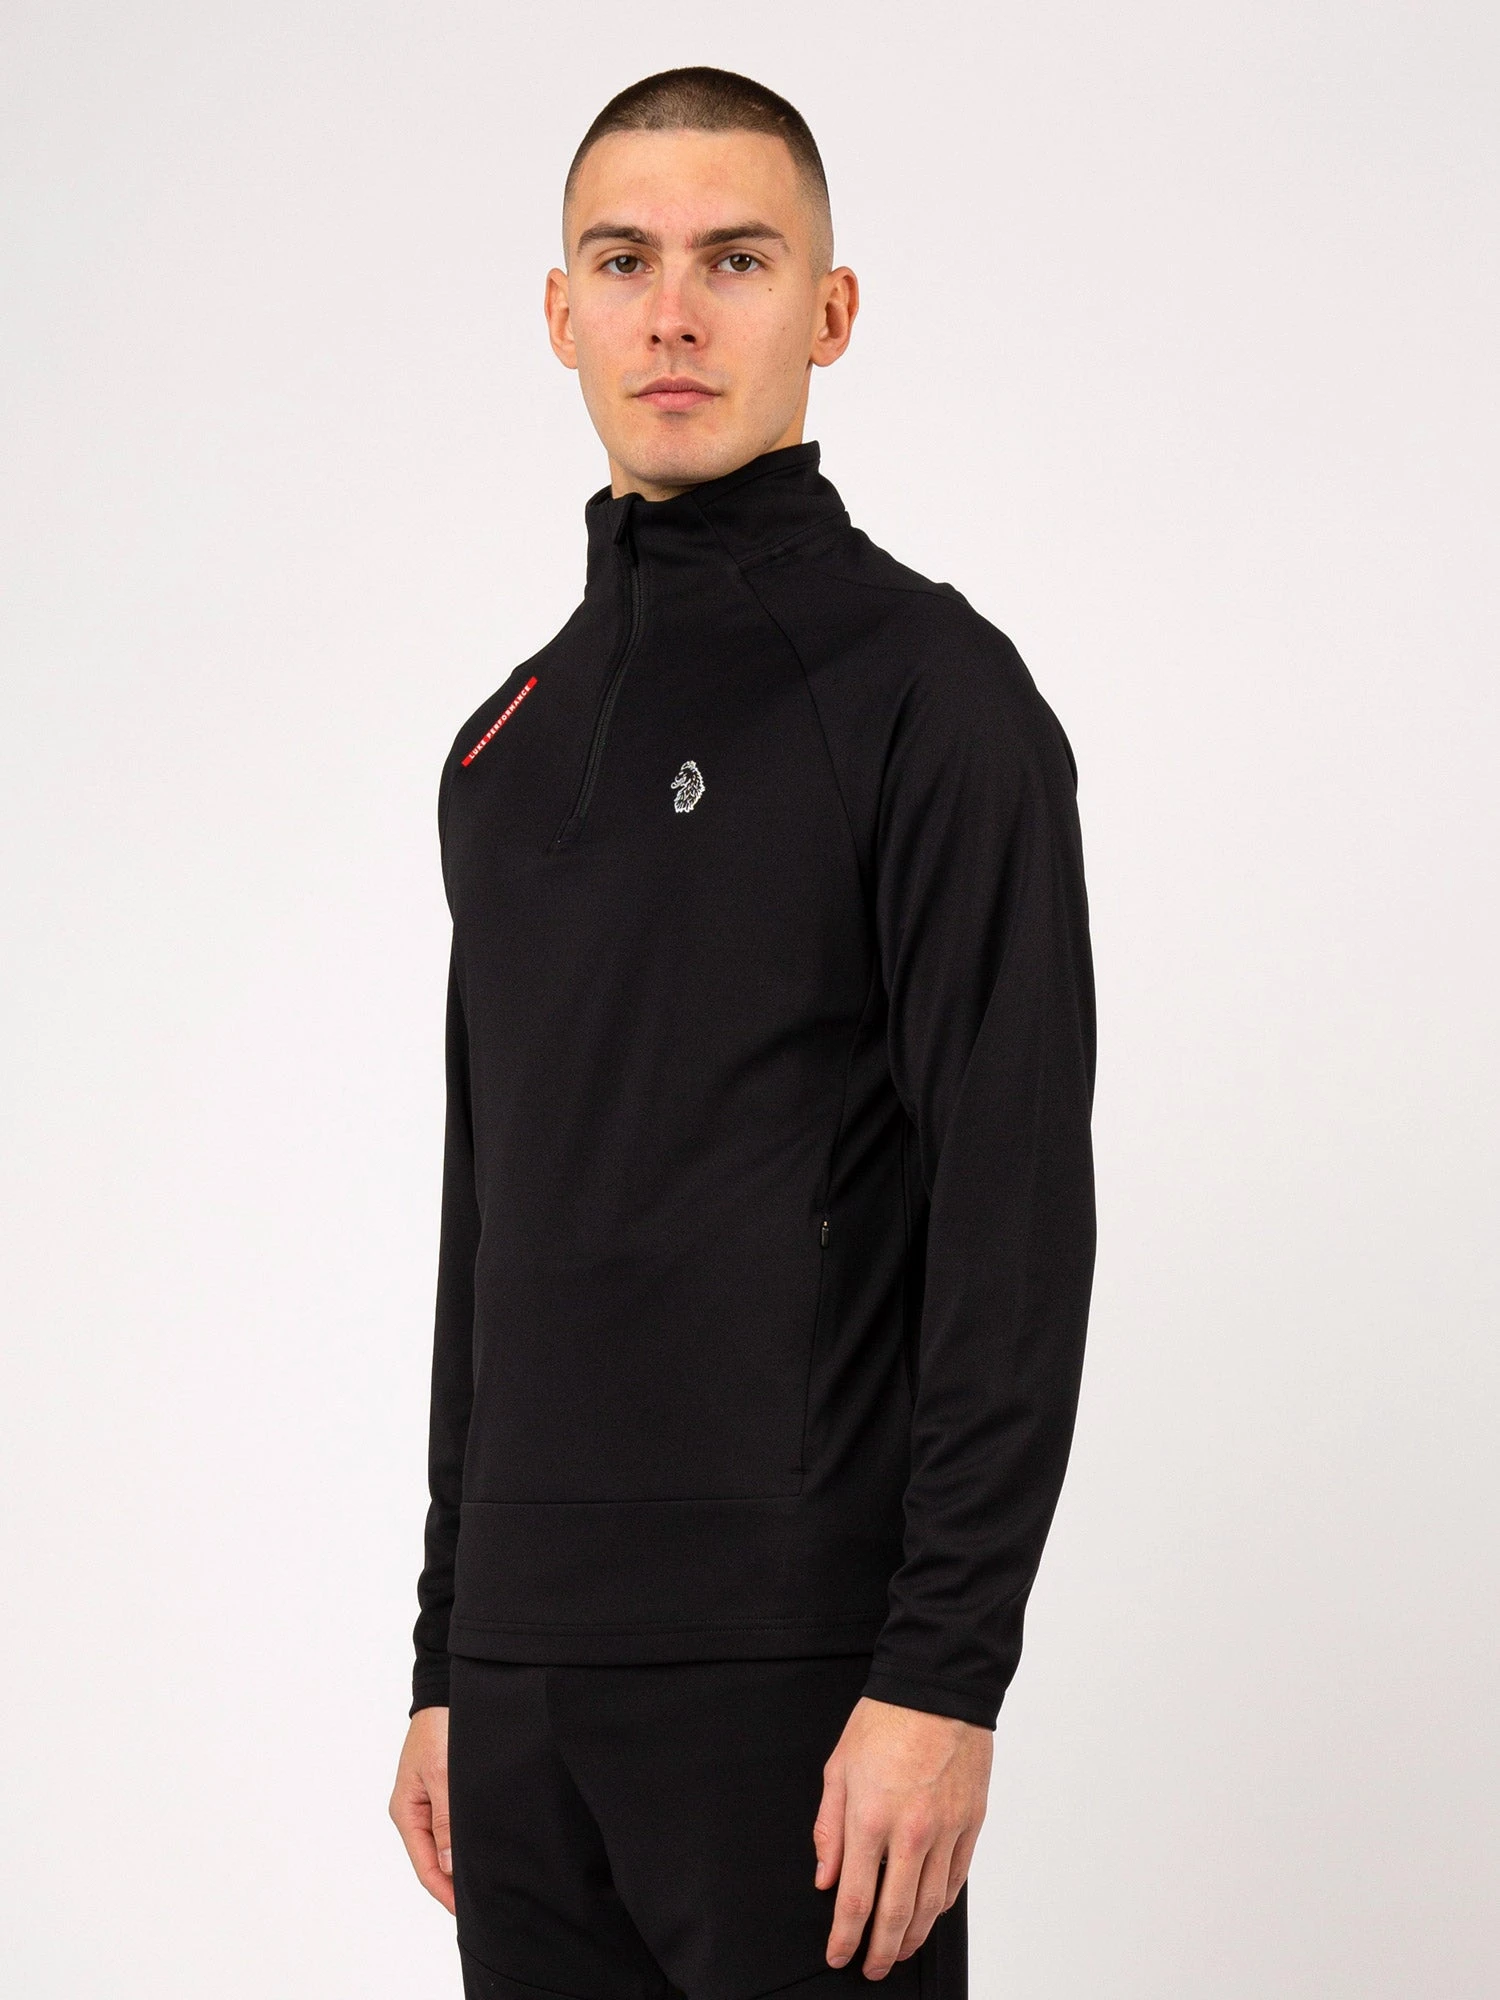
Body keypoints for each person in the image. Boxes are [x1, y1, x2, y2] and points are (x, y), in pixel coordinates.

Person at [389, 65, 1096, 2000]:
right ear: (560, 311)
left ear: (831, 310)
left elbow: (1015, 1213)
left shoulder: (929, 696)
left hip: (798, 1683)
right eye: (624, 262)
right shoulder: (505, 745)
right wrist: (448, 1659)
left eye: (738, 259)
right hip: (521, 1689)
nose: (675, 315)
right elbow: (489, 1226)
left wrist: (943, 1676)